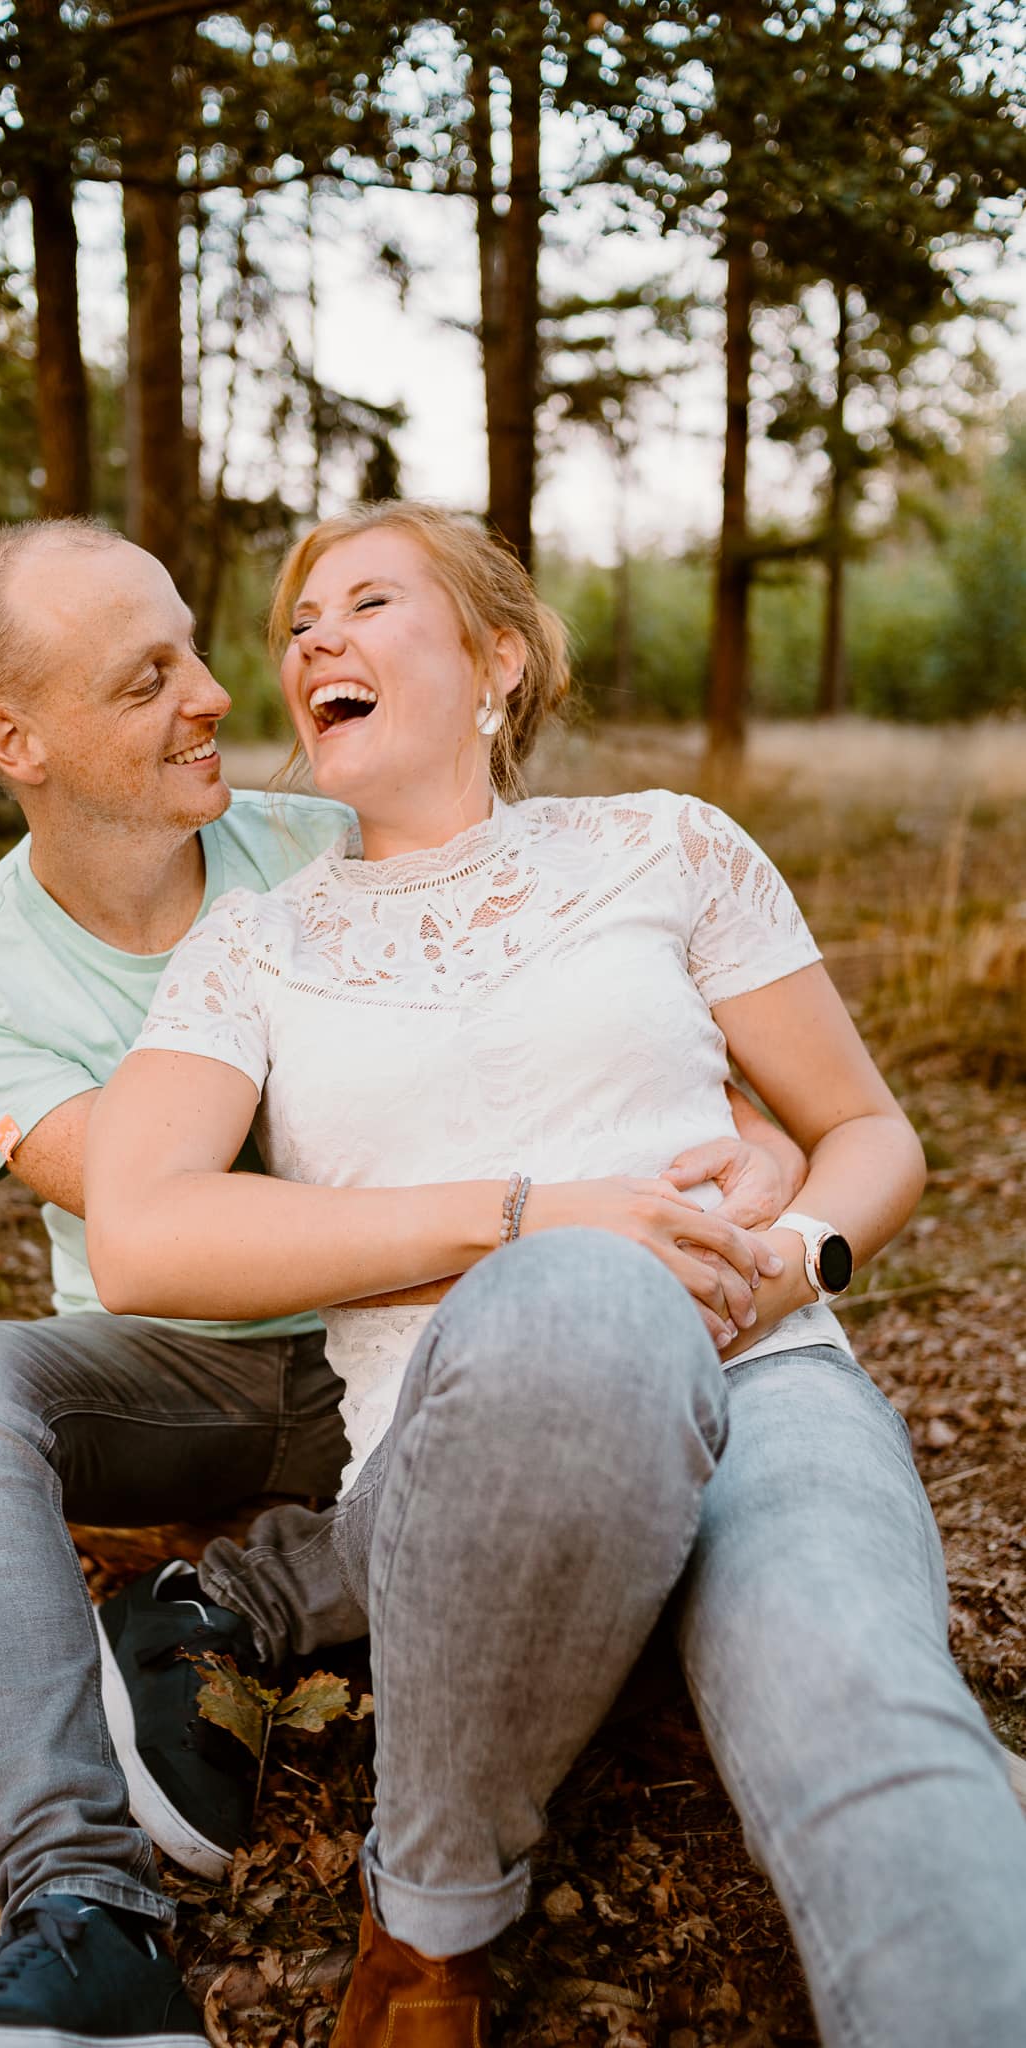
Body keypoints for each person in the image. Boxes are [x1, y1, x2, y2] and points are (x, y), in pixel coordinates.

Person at [86, 500, 1026, 2048]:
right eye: (298, 626)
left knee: (873, 1710)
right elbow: (145, 1235)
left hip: (765, 1383)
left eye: (367, 602)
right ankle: (433, 1918)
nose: (312, 638)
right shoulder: (257, 944)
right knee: (584, 1295)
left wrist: (794, 1259)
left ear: (498, 660)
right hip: (467, 1448)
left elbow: (866, 1132)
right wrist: (537, 1217)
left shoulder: (662, 842)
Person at [0, 516, 802, 2047]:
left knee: (561, 1416)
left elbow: (586, 1002)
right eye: (144, 678)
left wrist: (749, 1131)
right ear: (11, 738)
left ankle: (246, 1599)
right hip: (191, 1367)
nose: (214, 695)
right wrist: (508, 1185)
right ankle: (80, 1906)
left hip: (424, 1330)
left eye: (191, 645)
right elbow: (162, 1201)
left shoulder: (319, 826)